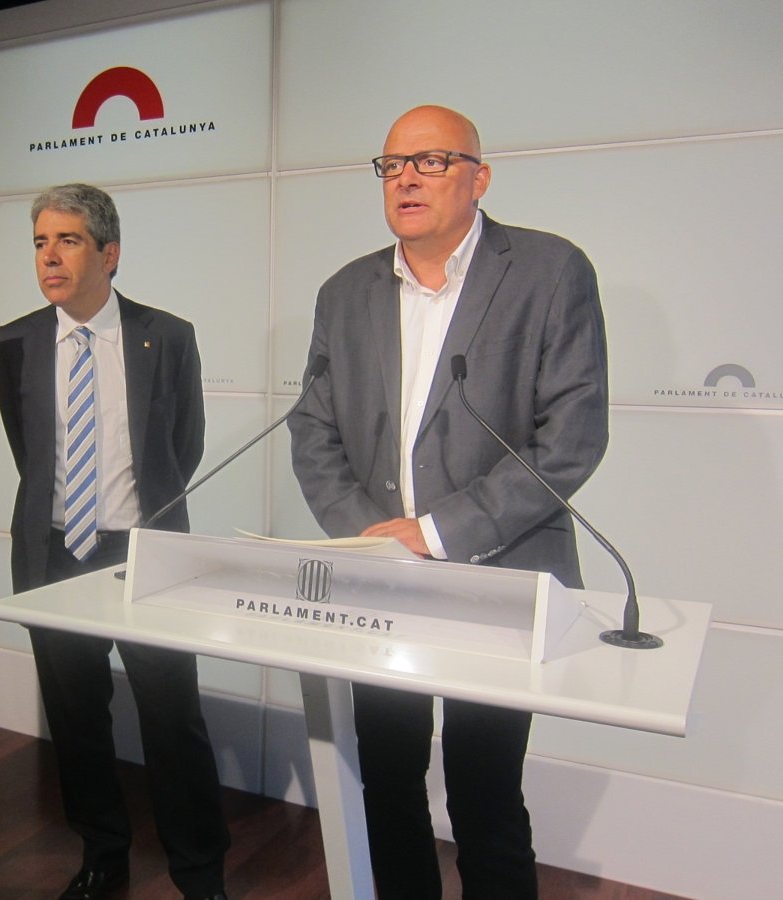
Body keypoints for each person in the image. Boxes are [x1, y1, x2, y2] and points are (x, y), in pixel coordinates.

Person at [288, 105, 609, 898]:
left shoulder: (548, 271)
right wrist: (370, 534)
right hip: (380, 578)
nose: (407, 178)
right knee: (387, 776)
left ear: (479, 178)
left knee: (484, 789)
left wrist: (435, 532)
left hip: (499, 575)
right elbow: (313, 428)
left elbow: (570, 438)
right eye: (392, 165)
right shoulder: (345, 291)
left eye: (431, 161)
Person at [0, 183, 229, 900]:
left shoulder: (168, 336)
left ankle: (200, 873)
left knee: (172, 717)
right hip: (54, 552)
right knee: (76, 719)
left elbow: (183, 446)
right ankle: (103, 856)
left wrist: (135, 518)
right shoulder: (15, 341)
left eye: (67, 241)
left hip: (145, 553)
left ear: (109, 253)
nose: (49, 257)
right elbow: (29, 451)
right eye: (40, 243)